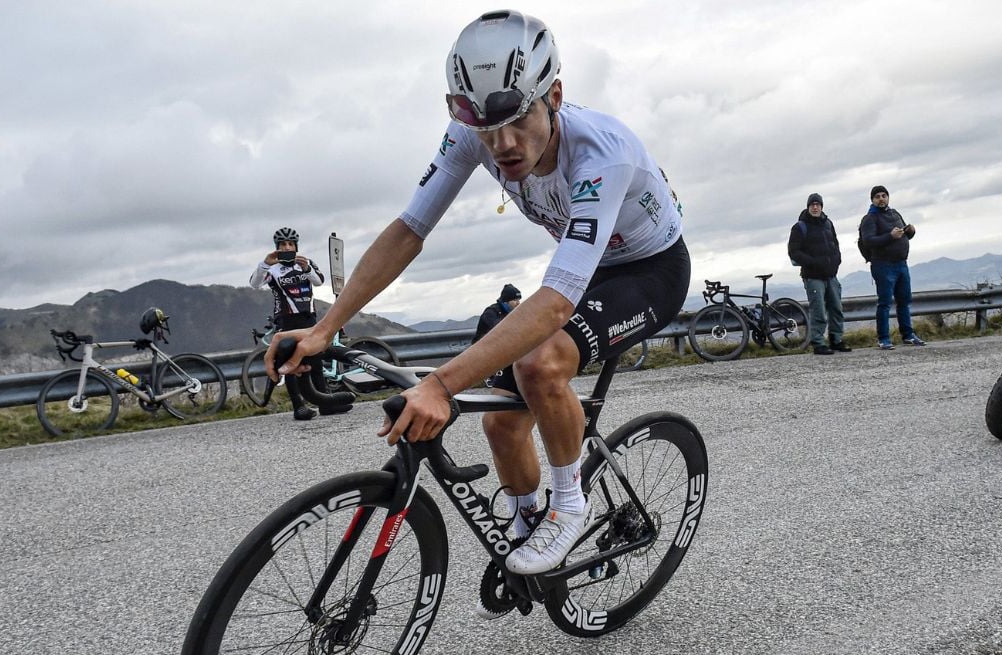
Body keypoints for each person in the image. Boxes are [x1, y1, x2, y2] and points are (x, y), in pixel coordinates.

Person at [267, 10, 689, 596]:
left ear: (555, 95)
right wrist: (325, 327)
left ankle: (570, 507)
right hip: (585, 269)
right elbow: (410, 229)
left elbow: (556, 304)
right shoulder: (475, 130)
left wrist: (438, 385)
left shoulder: (602, 154)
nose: (502, 146)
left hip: (649, 270)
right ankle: (528, 522)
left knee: (540, 365)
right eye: (486, 130)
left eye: (518, 122)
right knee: (498, 419)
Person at [250, 227, 351, 420]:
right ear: (276, 248)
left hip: (308, 318)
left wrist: (307, 269)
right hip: (286, 320)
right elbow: (255, 284)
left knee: (315, 360)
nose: (287, 247)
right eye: (282, 245)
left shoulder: (306, 263)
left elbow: (319, 281)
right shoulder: (272, 268)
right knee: (291, 362)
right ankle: (299, 407)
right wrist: (265, 263)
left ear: (296, 246)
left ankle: (326, 404)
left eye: (290, 244)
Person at [859, 186, 926, 350]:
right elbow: (868, 241)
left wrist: (911, 231)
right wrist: (890, 236)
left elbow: (904, 235)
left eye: (884, 195)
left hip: (901, 263)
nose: (881, 199)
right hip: (883, 265)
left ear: (888, 197)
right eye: (877, 197)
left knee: (904, 300)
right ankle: (883, 338)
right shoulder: (869, 218)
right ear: (872, 200)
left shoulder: (894, 213)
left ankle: (908, 335)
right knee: (885, 303)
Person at [788, 193, 850, 355]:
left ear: (822, 206)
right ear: (808, 207)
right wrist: (813, 262)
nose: (815, 207)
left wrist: (837, 261)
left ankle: (836, 340)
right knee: (819, 310)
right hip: (813, 276)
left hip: (831, 275)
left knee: (836, 308)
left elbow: (835, 245)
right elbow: (794, 252)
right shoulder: (800, 227)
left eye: (818, 204)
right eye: (812, 205)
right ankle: (818, 343)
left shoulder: (828, 224)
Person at [472, 283, 523, 388]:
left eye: (519, 300)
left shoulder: (513, 312)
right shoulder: (491, 312)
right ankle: (490, 378)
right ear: (505, 301)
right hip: (483, 348)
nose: (518, 303)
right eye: (514, 300)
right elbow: (498, 330)